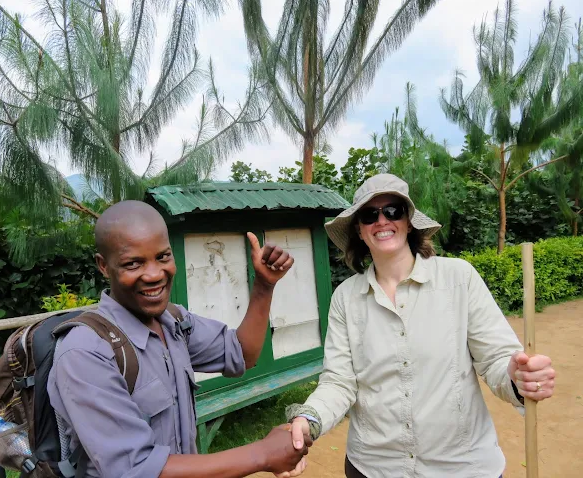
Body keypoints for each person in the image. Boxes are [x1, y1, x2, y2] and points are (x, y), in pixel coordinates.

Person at [282, 174, 556, 478]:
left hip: (461, 468)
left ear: (409, 221)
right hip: (374, 468)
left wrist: (518, 376)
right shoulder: (345, 298)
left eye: (393, 211)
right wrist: (308, 419)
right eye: (370, 215)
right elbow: (339, 381)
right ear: (359, 230)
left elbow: (495, 360)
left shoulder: (458, 279)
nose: (382, 221)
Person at [47, 200, 312, 478]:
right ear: (104, 266)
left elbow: (242, 354)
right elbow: (136, 470)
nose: (154, 274)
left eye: (162, 257)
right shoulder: (86, 352)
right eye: (133, 263)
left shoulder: (173, 322)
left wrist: (264, 286)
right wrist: (262, 454)